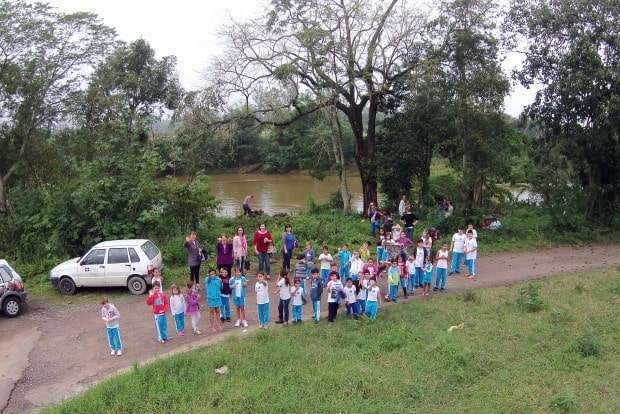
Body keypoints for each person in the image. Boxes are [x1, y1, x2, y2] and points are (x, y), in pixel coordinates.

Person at [204, 269, 223, 333]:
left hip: (217, 297)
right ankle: (212, 327)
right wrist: (209, 276)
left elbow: (221, 287)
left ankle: (219, 325)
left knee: (218, 311)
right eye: (211, 274)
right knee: (211, 312)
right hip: (210, 298)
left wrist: (220, 282)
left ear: (216, 274)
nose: (213, 275)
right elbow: (208, 279)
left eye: (214, 274)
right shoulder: (207, 279)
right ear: (209, 274)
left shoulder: (218, 279)